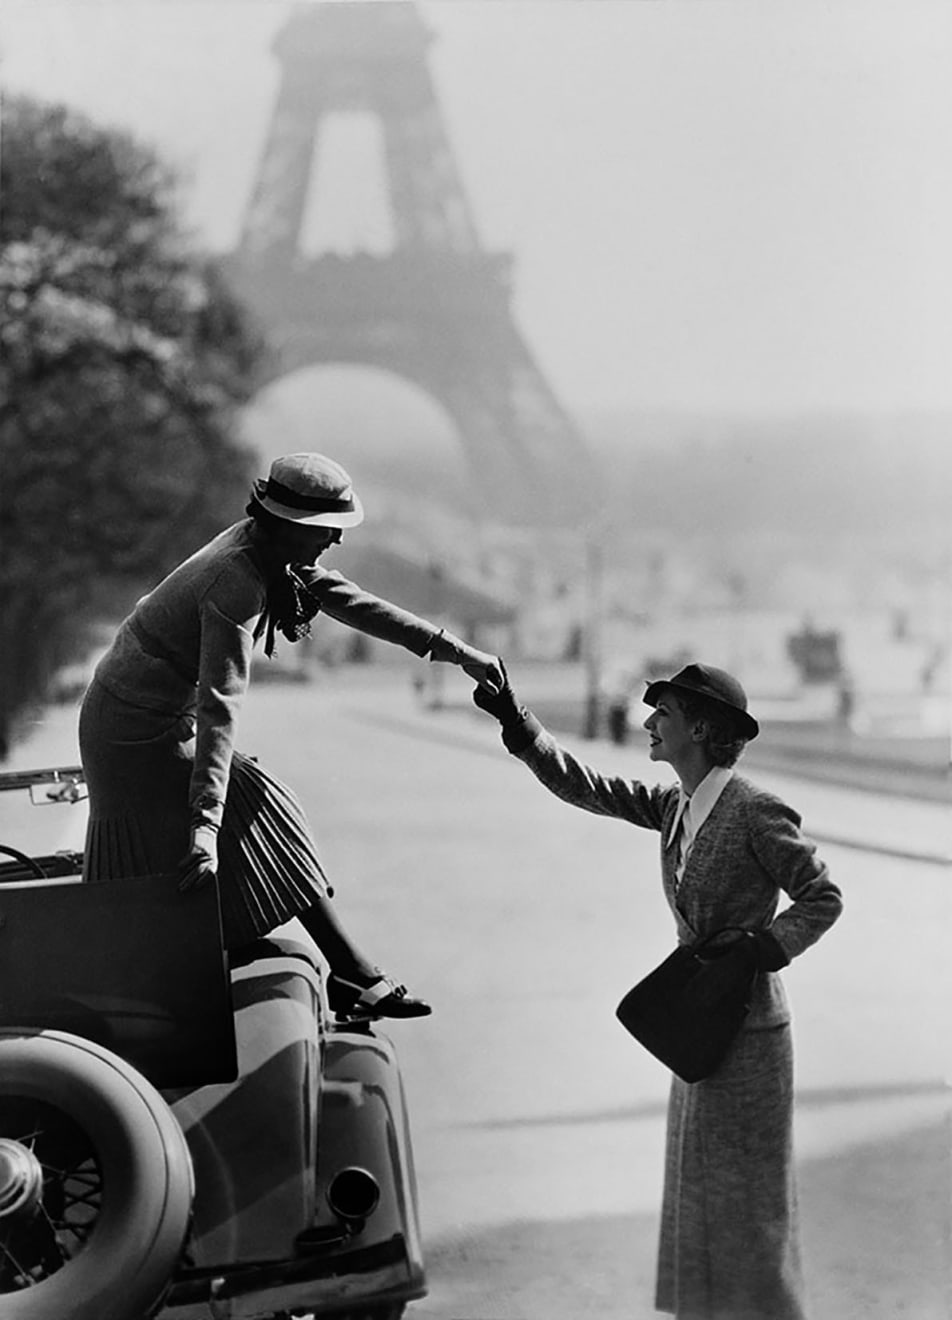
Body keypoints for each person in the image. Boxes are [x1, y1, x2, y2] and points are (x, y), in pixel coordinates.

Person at [473, 661, 843, 1319]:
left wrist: (765, 947)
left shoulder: (755, 812)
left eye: (662, 715)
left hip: (751, 1034)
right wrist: (517, 722)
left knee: (748, 1203)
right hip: (697, 1024)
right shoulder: (676, 806)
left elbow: (822, 896)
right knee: (697, 1189)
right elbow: (583, 785)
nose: (646, 723)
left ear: (701, 729)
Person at [80, 451, 503, 1020]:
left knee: (239, 818)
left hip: (149, 714)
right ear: (291, 527)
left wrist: (457, 652)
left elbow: (352, 602)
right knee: (254, 804)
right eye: (328, 530)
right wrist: (206, 819)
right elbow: (220, 704)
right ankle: (350, 972)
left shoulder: (267, 550)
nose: (335, 541)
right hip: (131, 728)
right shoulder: (235, 581)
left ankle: (326, 968)